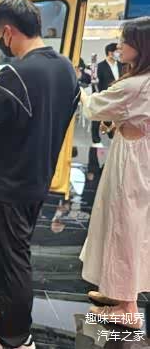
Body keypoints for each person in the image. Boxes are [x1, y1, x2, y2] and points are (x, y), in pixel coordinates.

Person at [0, 0, 80, 349]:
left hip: (11, 180)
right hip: (37, 176)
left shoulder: (16, 73)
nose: (0, 42)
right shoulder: (64, 68)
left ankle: (15, 338)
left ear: (8, 32)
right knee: (1, 247)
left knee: (13, 258)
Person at [79, 17, 150, 330]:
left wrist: (78, 89)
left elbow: (93, 107)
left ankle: (127, 308)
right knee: (132, 225)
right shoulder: (143, 81)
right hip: (140, 156)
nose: (120, 46)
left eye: (125, 40)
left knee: (124, 225)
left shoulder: (134, 85)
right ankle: (121, 294)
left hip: (130, 162)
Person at [91, 42, 125, 147]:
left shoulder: (121, 65)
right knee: (98, 118)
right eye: (117, 51)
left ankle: (112, 136)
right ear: (110, 53)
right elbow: (95, 84)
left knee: (114, 118)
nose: (119, 53)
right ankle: (96, 140)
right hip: (104, 96)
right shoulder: (99, 67)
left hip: (118, 97)